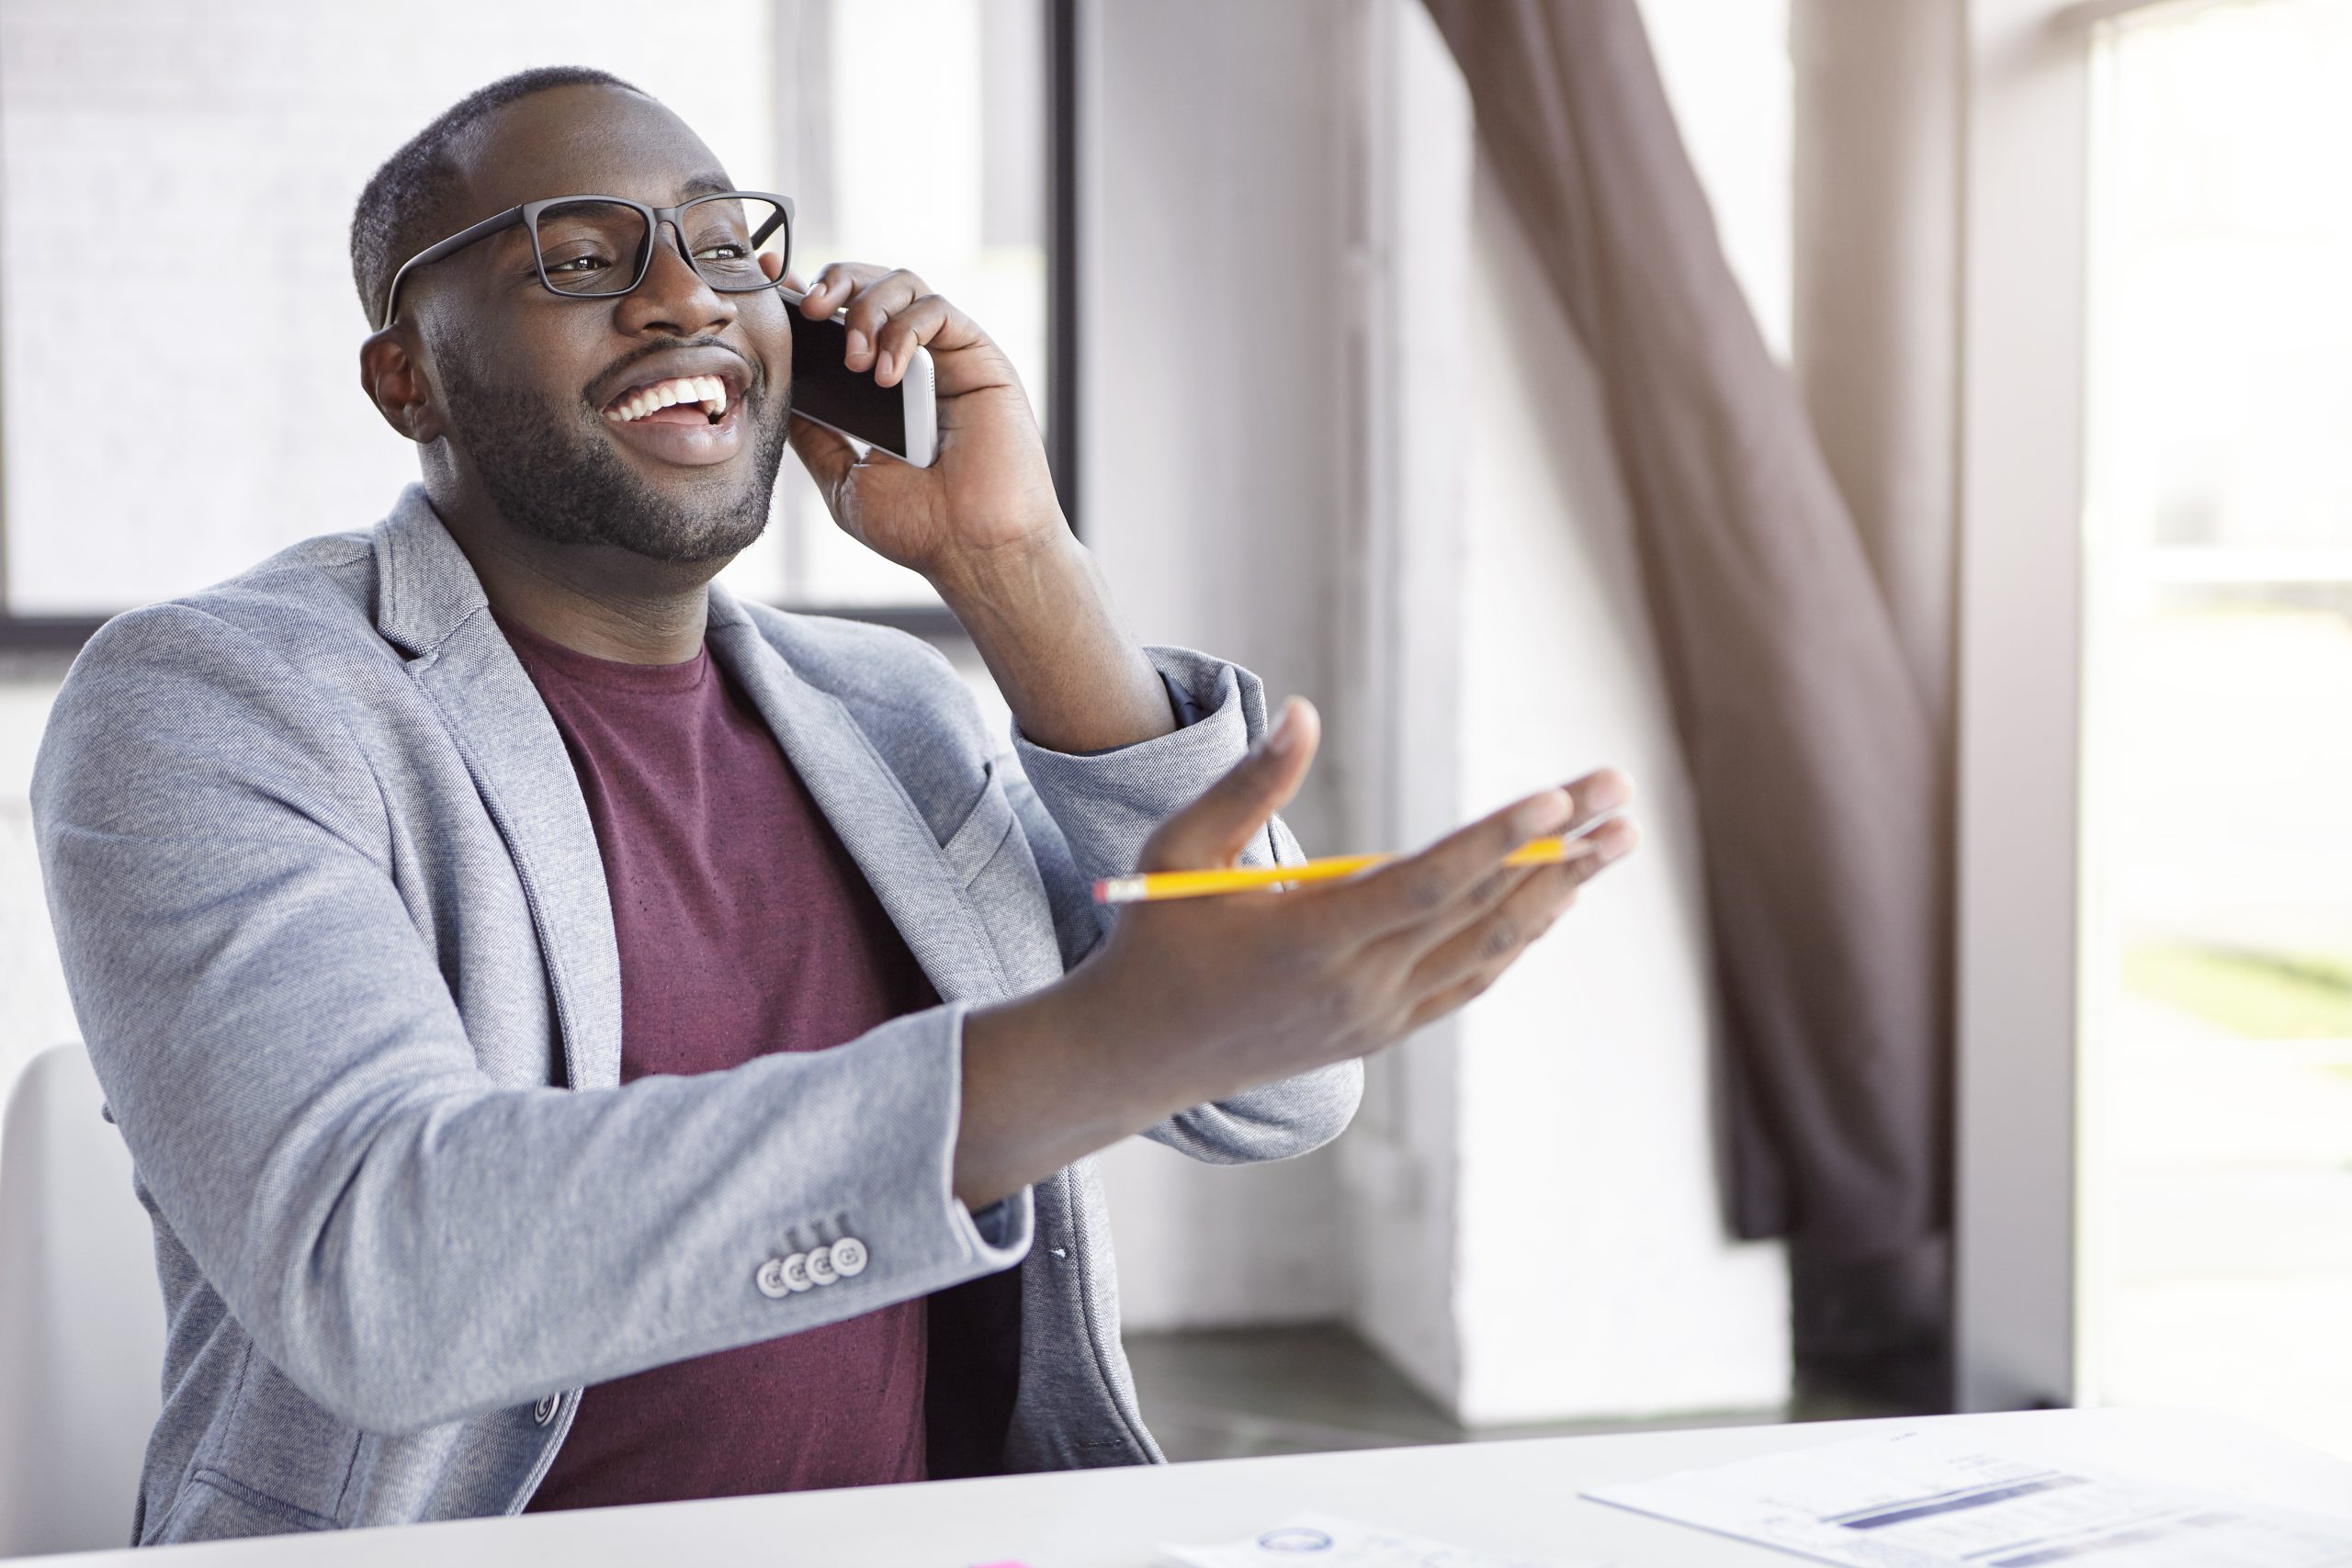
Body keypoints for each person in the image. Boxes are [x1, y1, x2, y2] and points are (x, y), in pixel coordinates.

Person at [30, 67, 1637, 1544]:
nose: (681, 299)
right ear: (407, 380)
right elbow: (381, 1275)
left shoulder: (886, 711)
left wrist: (1012, 565)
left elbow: (1273, 1101)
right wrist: (1107, 1039)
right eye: (576, 260)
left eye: (726, 247)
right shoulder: (216, 705)